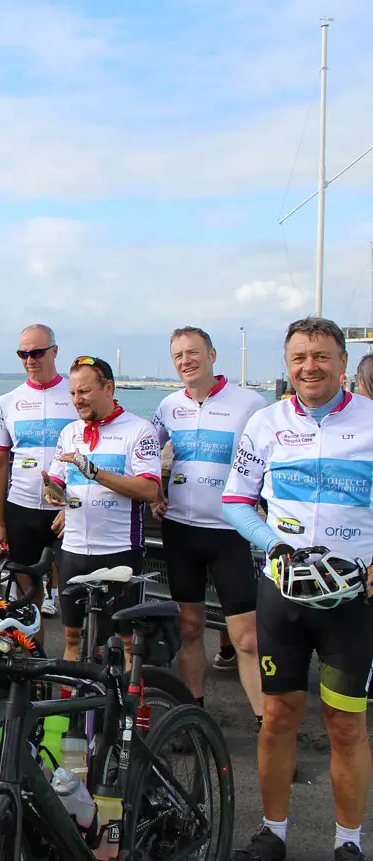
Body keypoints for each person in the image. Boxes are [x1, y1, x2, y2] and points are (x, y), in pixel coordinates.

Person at [223, 317, 373, 861]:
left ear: (340, 361)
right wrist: (274, 545)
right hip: (282, 594)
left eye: (322, 356)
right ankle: (274, 832)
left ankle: (349, 842)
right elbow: (237, 500)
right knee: (278, 717)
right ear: (287, 365)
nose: (310, 366)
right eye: (299, 357)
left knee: (345, 724)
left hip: (351, 600)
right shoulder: (265, 423)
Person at [151, 326, 265, 721]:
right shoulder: (167, 406)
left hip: (229, 531)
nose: (187, 360)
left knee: (246, 638)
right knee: (190, 627)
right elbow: (146, 455)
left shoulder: (249, 403)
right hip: (181, 529)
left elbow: (268, 460)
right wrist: (155, 495)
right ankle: (192, 712)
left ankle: (267, 724)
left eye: (194, 352)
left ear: (213, 355)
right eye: (179, 355)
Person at [43, 357, 161, 662]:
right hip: (73, 550)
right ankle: (71, 708)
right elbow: (59, 484)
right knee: (72, 638)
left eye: (83, 391)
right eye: (72, 393)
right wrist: (51, 490)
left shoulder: (139, 429)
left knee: (123, 642)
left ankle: (125, 709)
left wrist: (95, 472)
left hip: (118, 550)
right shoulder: (69, 431)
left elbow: (150, 490)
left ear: (108, 387)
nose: (76, 400)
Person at [0, 323, 76, 619]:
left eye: (37, 352)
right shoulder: (7, 401)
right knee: (27, 597)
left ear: (55, 352)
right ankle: (34, 654)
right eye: (23, 353)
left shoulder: (76, 394)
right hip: (22, 508)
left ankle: (77, 656)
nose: (30, 360)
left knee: (73, 592)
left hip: (68, 508)